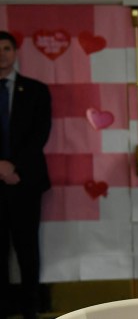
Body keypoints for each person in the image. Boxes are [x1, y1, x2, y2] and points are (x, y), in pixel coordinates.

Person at [0, 31, 52, 319]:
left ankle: (31, 308)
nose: (1, 54)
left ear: (15, 52)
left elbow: (40, 135)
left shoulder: (35, 90)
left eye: (6, 48)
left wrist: (13, 167)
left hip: (25, 182)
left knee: (27, 247)